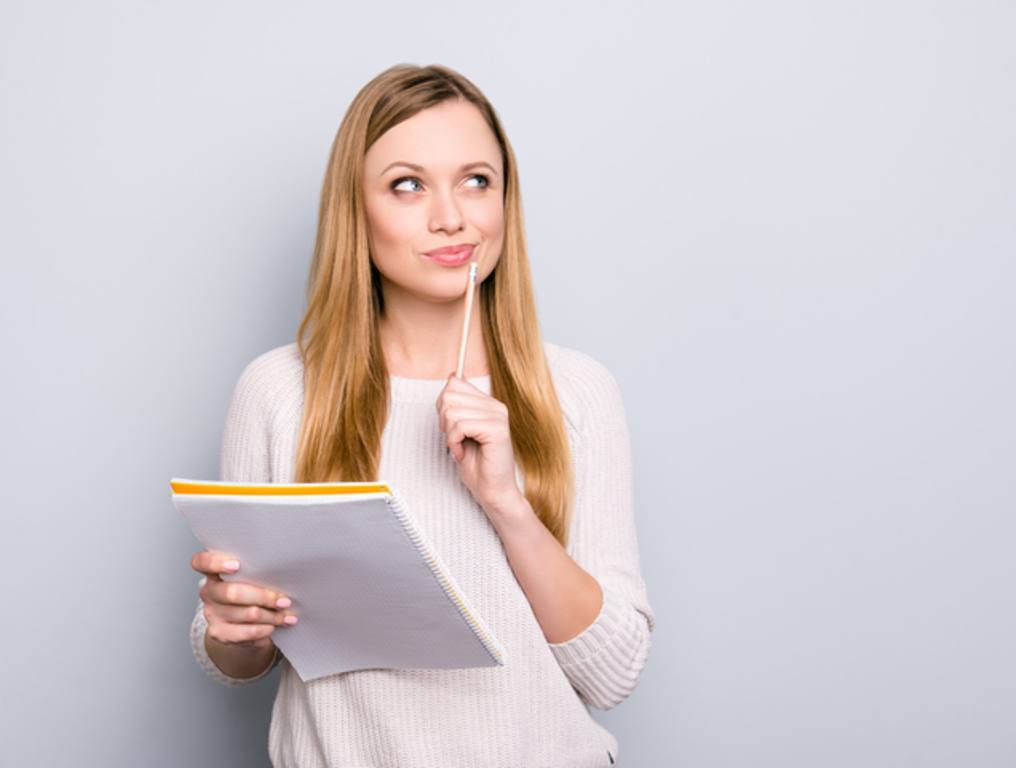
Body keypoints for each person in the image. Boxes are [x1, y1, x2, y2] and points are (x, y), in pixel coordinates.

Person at [188, 62, 655, 767]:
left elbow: (613, 673)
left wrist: (508, 506)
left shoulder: (578, 392)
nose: (452, 216)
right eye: (408, 184)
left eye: (477, 180)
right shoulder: (280, 393)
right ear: (357, 207)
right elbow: (243, 661)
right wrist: (233, 629)